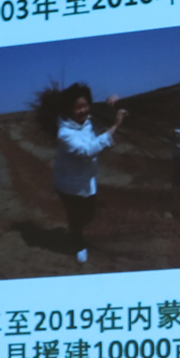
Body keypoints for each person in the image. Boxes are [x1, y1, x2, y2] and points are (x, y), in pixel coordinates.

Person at [38, 81, 124, 266]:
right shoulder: (64, 133)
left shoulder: (88, 120)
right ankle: (78, 247)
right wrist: (114, 128)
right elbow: (86, 150)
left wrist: (116, 101)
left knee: (89, 214)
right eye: (78, 107)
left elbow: (110, 112)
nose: (83, 110)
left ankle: (75, 232)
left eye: (85, 105)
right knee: (76, 218)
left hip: (87, 180)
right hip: (69, 185)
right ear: (69, 109)